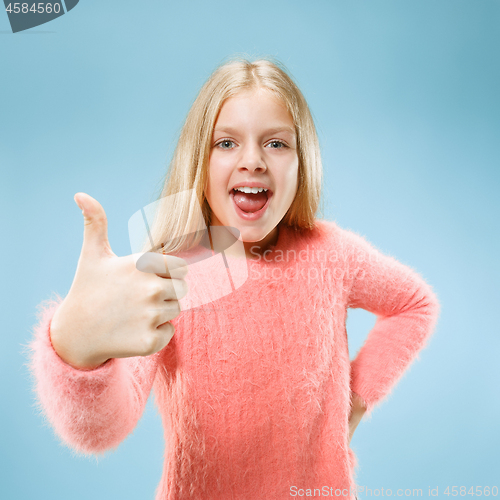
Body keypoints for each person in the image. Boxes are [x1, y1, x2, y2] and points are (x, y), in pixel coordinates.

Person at [27, 58, 440, 500]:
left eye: (276, 144)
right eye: (226, 142)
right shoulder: (170, 270)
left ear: (303, 161)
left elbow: (414, 305)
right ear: (199, 162)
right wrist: (77, 351)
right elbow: (103, 432)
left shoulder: (331, 253)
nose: (253, 161)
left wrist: (355, 399)